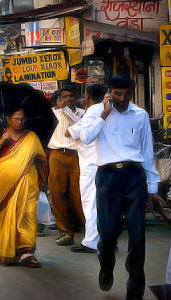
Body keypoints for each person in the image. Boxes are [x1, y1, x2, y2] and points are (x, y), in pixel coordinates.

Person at [80, 75, 163, 299]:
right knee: (107, 234)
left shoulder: (140, 115)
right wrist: (103, 115)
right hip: (107, 177)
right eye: (118, 94)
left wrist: (152, 186)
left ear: (132, 93)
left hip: (134, 176)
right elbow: (86, 138)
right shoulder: (95, 111)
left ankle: (135, 290)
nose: (122, 99)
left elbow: (147, 150)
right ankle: (106, 265)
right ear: (110, 92)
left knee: (138, 235)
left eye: (127, 94)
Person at [0, 107, 47, 268]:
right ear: (8, 119)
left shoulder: (31, 136)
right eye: (16, 119)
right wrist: (0, 143)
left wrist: (43, 177)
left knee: (28, 214)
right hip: (4, 181)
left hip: (28, 180)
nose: (20, 122)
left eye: (22, 119)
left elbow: (38, 159)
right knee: (5, 215)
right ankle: (9, 251)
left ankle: (27, 252)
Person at [66, 83, 105, 253]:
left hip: (90, 165)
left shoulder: (92, 112)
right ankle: (106, 238)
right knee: (105, 204)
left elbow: (70, 133)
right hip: (105, 164)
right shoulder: (108, 109)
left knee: (90, 203)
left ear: (87, 96)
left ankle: (91, 241)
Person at [47, 85, 85, 246]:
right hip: (56, 155)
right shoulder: (53, 114)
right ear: (60, 99)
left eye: (71, 96)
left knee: (80, 195)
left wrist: (68, 111)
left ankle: (90, 231)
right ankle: (65, 232)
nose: (68, 99)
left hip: (77, 156)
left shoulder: (83, 114)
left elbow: (80, 128)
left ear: (76, 97)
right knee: (57, 194)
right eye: (65, 97)